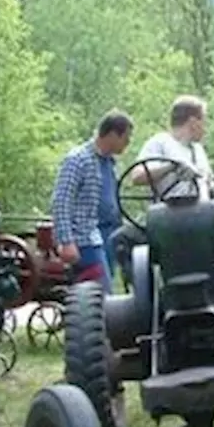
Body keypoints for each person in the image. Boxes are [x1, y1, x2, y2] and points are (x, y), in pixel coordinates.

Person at [50, 110, 134, 293]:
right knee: (101, 294)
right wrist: (66, 241)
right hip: (85, 238)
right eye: (125, 139)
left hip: (108, 235)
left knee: (107, 284)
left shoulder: (109, 163)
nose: (127, 144)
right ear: (113, 135)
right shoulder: (78, 159)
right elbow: (61, 201)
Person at [133, 95, 214, 201]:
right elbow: (137, 177)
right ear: (193, 122)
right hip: (170, 210)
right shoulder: (160, 142)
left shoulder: (198, 149)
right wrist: (172, 167)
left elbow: (206, 181)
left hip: (201, 211)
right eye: (204, 122)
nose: (205, 128)